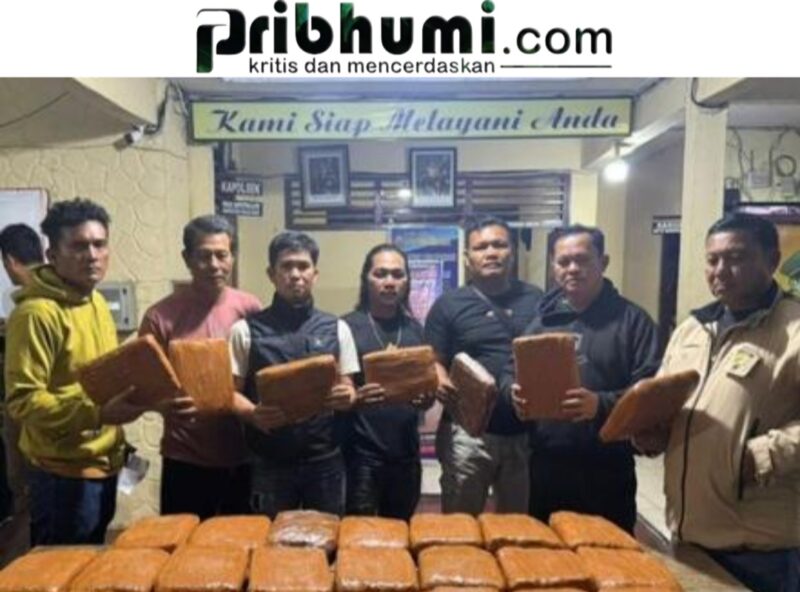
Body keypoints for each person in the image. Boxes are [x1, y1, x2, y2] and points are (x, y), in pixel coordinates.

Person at [636, 213, 800, 592]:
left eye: (736, 258)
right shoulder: (692, 330)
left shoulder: (793, 329)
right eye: (712, 260)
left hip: (762, 549)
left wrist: (764, 454)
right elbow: (666, 401)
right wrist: (654, 434)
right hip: (689, 533)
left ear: (772, 260)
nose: (721, 270)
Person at [503, 225, 660, 533]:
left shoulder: (633, 321)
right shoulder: (541, 322)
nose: (572, 268)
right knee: (548, 554)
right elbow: (511, 370)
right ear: (553, 267)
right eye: (563, 262)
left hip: (607, 466)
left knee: (609, 553)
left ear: (603, 262)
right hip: (547, 463)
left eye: (583, 259)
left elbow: (650, 392)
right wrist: (512, 392)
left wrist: (600, 404)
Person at [3, 198, 127, 545]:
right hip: (61, 477)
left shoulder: (95, 301)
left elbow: (100, 378)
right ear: (53, 255)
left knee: (92, 563)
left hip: (103, 464)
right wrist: (99, 412)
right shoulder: (36, 314)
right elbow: (23, 402)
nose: (92, 255)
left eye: (99, 244)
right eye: (79, 246)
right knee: (62, 568)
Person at [138, 215, 261, 518]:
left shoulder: (251, 309)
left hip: (242, 454)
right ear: (187, 258)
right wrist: (162, 405)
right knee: (181, 541)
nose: (214, 265)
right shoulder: (160, 316)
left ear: (232, 257)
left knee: (241, 540)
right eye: (204, 256)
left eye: (222, 255)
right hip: (185, 457)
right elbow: (143, 384)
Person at [230, 231, 359, 518]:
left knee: (328, 537)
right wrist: (252, 413)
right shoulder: (245, 330)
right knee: (270, 539)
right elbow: (230, 393)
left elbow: (348, 386)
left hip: (325, 460)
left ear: (315, 274)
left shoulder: (337, 328)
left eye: (303, 266)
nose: (296, 275)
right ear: (271, 274)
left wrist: (347, 396)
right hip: (269, 461)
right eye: (286, 266)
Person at [425, 216, 543, 514]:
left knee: (516, 526)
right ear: (467, 258)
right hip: (466, 433)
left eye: (499, 245)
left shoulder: (538, 300)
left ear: (512, 252)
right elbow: (434, 359)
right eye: (481, 247)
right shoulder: (448, 305)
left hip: (523, 432)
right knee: (460, 525)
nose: (490, 253)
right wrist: (439, 378)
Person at [340, 244, 433, 520]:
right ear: (366, 279)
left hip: (407, 455)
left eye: (397, 274)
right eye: (380, 274)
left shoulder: (416, 330)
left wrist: (426, 399)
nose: (390, 282)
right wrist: (356, 398)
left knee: (400, 533)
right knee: (359, 536)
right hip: (360, 456)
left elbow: (425, 393)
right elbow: (332, 393)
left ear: (407, 281)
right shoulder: (345, 327)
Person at [0, 223, 44, 522]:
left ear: (10, 261)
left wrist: (17, 475)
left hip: (37, 445)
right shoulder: (75, 299)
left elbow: (20, 401)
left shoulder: (26, 311)